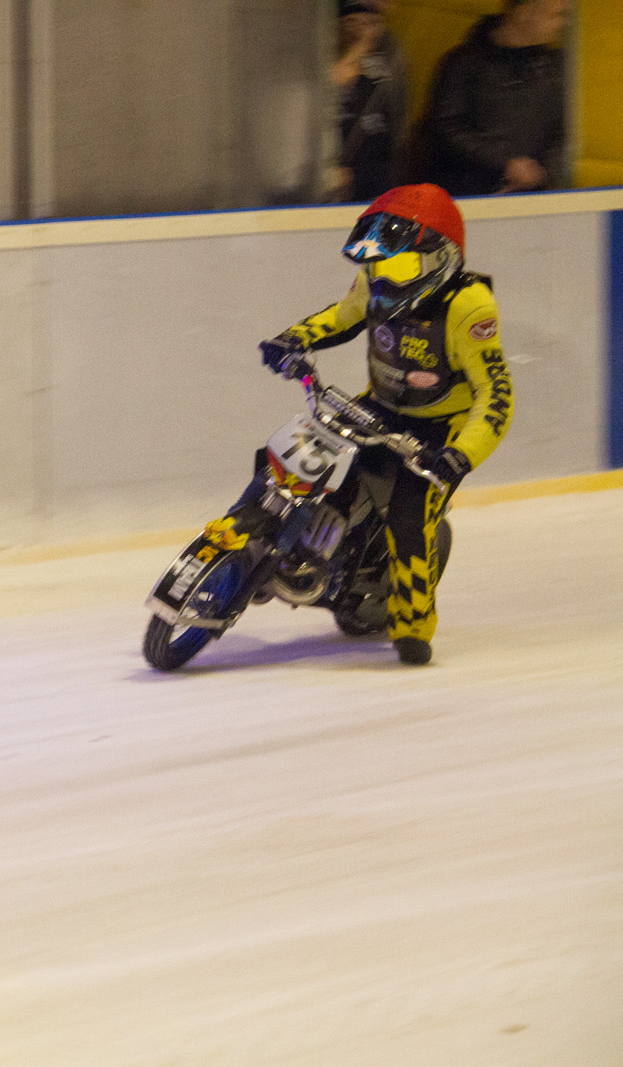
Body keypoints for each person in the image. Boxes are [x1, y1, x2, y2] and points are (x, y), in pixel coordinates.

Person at [253, 184, 513, 665]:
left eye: (402, 266)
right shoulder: (373, 281)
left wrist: (460, 456)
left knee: (409, 519)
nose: (386, 278)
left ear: (441, 260)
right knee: (296, 458)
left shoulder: (469, 307)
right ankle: (263, 543)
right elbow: (342, 317)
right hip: (379, 406)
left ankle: (413, 625)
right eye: (379, 264)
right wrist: (293, 339)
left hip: (440, 427)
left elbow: (495, 395)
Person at [416, 0, 567, 196]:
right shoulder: (463, 64)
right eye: (555, 15)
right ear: (523, 14)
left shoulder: (555, 69)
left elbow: (564, 130)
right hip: (466, 195)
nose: (562, 23)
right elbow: (446, 128)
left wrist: (541, 173)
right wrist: (505, 164)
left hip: (530, 198)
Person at [330, 0, 407, 202]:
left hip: (374, 182)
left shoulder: (385, 60)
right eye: (355, 22)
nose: (367, 30)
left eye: (372, 23)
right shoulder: (318, 81)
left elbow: (395, 122)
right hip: (331, 190)